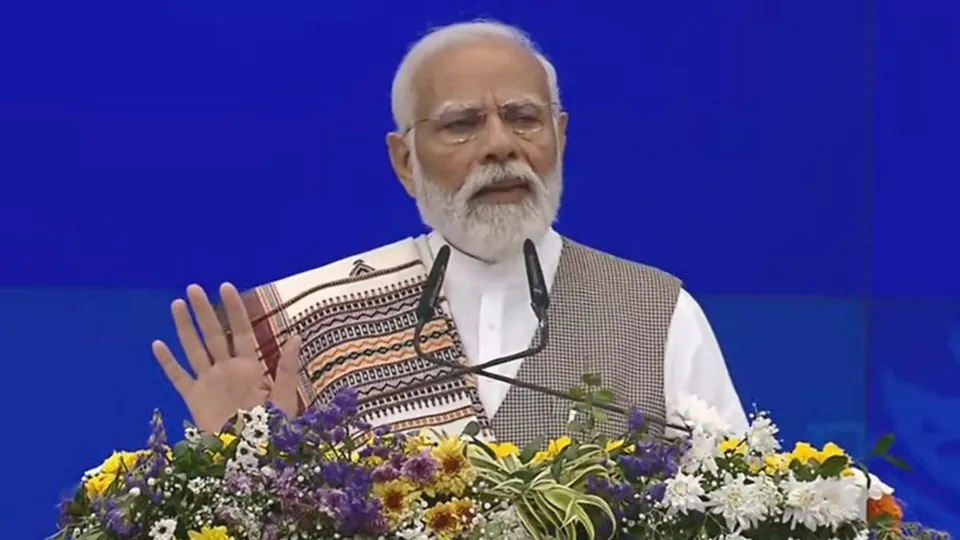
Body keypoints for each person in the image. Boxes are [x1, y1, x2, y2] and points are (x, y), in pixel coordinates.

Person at [152, 20, 749, 445]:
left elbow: (730, 505)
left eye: (524, 118)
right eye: (462, 124)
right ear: (404, 161)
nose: (500, 146)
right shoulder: (310, 327)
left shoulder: (657, 312)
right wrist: (237, 457)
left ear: (560, 137)